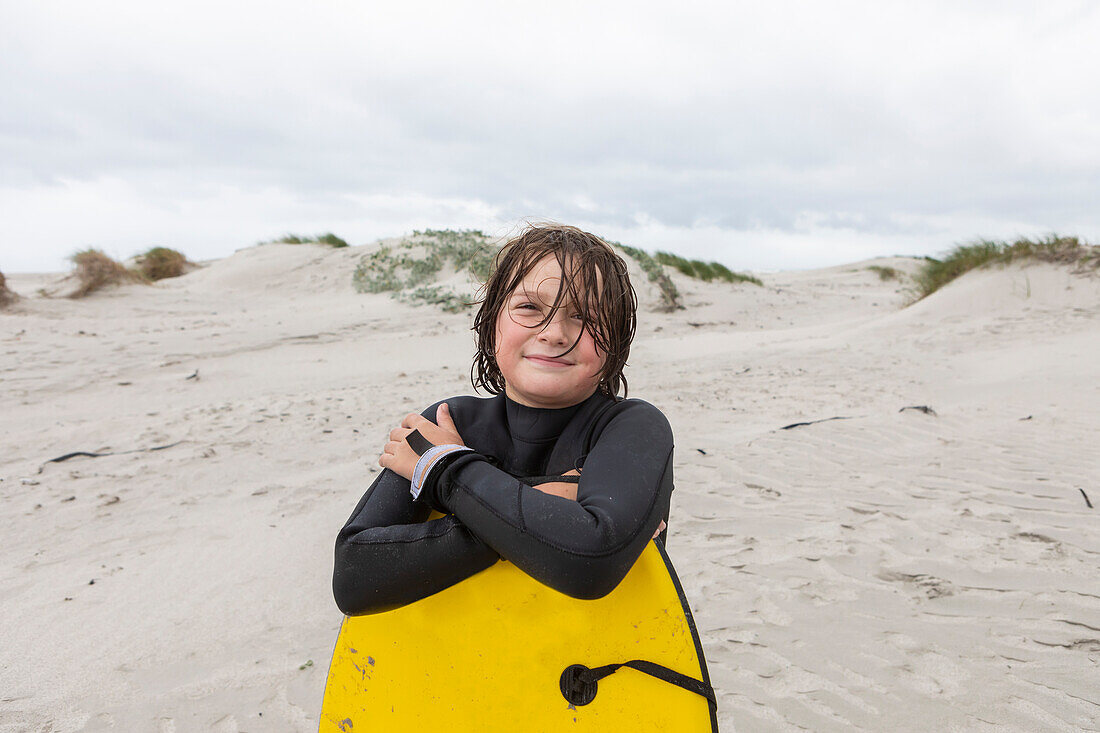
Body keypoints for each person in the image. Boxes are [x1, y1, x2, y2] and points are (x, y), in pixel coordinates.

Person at [332, 224, 674, 616]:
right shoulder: (447, 422)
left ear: (616, 339)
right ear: (492, 319)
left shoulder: (632, 428)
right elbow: (354, 577)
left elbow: (590, 561)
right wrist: (544, 502)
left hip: (598, 669)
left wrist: (445, 473)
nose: (554, 333)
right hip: (460, 666)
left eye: (585, 315)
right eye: (529, 308)